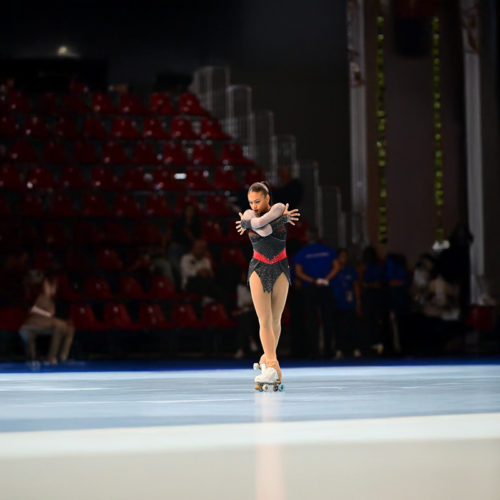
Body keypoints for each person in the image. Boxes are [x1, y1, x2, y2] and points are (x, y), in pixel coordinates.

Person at [236, 181, 300, 389]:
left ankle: (266, 362)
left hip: (280, 266)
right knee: (264, 320)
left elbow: (261, 226)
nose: (253, 206)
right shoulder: (248, 214)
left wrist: (252, 224)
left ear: (267, 198)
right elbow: (262, 230)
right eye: (251, 202)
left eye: (257, 201)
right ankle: (273, 366)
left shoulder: (279, 207)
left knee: (275, 319)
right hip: (258, 267)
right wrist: (281, 220)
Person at [292, 228, 339, 358]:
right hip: (325, 286)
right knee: (327, 319)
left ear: (307, 237)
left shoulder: (302, 252)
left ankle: (314, 351)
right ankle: (328, 350)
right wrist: (325, 279)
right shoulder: (328, 250)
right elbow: (337, 267)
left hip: (310, 288)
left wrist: (314, 281)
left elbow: (299, 272)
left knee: (311, 320)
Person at [19, 274, 75, 365]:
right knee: (59, 325)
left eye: (55, 286)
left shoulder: (52, 300)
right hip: (33, 324)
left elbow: (51, 315)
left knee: (70, 329)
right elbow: (33, 310)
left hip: (46, 324)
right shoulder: (40, 297)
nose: (53, 288)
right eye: (51, 285)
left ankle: (62, 357)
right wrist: (47, 315)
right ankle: (50, 357)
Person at [331, 248, 362, 359]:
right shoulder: (332, 271)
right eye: (342, 256)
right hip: (337, 304)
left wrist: (358, 301)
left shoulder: (351, 271)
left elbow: (356, 286)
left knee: (352, 326)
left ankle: (355, 348)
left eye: (345, 256)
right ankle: (339, 349)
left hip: (350, 304)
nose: (344, 258)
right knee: (339, 327)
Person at [358, 246, 387, 355]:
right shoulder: (369, 266)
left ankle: (374, 345)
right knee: (372, 321)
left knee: (373, 321)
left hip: (373, 295)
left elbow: (361, 283)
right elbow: (360, 282)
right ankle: (373, 346)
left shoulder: (375, 266)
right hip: (371, 295)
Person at [180, 239, 226, 305]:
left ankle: (223, 307)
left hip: (206, 283)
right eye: (199, 248)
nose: (202, 250)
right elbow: (186, 272)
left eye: (203, 248)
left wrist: (207, 273)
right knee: (202, 281)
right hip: (189, 283)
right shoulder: (185, 258)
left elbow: (210, 273)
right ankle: (206, 296)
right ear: (193, 248)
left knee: (220, 289)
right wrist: (198, 272)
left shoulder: (206, 260)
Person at [232, 271, 260, 359]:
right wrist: (244, 308)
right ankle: (251, 341)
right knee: (244, 319)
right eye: (243, 276)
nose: (244, 277)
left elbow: (256, 301)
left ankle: (241, 349)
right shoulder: (240, 287)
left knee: (243, 320)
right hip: (245, 312)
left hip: (257, 312)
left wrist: (246, 306)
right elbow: (240, 303)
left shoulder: (256, 285)